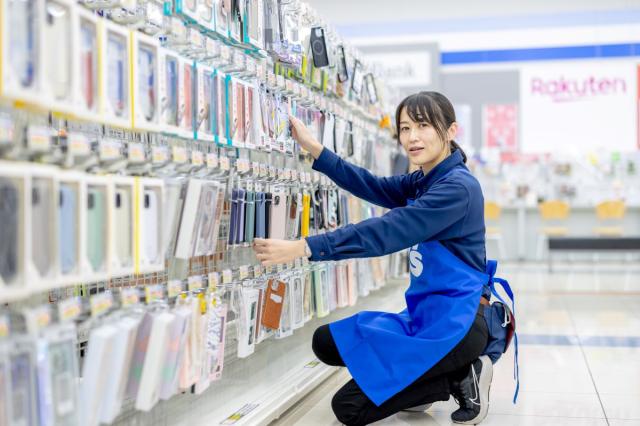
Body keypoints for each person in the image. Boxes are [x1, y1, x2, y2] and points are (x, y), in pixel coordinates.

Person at [253, 91, 505, 425]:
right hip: (426, 316)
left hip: (458, 324)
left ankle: (461, 374)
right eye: (404, 128)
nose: (412, 137)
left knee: (349, 408)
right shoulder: (426, 179)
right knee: (325, 342)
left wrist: (305, 247)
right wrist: (316, 149)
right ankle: (420, 381)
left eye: (423, 126)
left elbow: (387, 231)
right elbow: (373, 186)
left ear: (451, 130)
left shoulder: (457, 187)